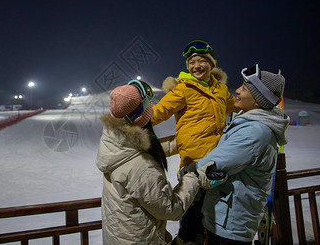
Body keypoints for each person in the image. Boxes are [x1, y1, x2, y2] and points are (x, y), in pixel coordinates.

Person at [96, 80, 227, 245]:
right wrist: (194, 177)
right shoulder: (143, 169)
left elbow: (143, 149)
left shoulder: (114, 140)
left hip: (120, 236)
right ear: (143, 116)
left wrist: (184, 142)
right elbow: (170, 209)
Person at [151, 40, 238, 244]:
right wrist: (130, 119)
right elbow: (159, 112)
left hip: (219, 163)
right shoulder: (183, 89)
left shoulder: (221, 90)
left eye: (201, 61)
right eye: (191, 62)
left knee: (217, 218)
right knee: (191, 224)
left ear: (212, 64)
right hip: (194, 165)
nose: (196, 66)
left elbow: (236, 107)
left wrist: (262, 106)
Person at [192, 65, 290, 244]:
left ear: (258, 100)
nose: (237, 90)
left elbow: (217, 162)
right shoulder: (253, 123)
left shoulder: (255, 132)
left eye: (244, 88)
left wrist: (189, 170)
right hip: (227, 216)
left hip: (232, 222)